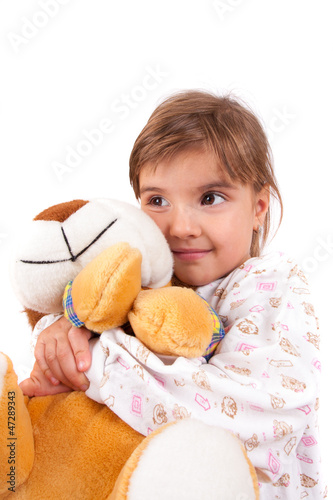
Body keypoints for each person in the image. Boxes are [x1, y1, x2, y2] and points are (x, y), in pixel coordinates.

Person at [21, 90, 325, 498]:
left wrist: (95, 362)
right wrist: (65, 331)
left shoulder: (270, 285)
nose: (180, 226)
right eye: (158, 200)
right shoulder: (141, 279)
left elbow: (255, 416)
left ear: (259, 207)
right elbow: (83, 303)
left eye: (210, 198)